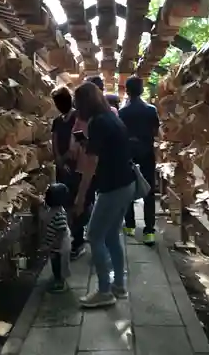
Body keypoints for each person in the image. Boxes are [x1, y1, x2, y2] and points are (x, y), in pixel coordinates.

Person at [73, 82, 136, 308]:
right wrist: (86, 144)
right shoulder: (111, 117)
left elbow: (91, 164)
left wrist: (80, 197)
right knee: (111, 236)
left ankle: (104, 291)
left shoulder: (99, 122)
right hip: (125, 183)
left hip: (113, 187)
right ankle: (118, 285)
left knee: (94, 236)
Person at [118, 76, 160, 245]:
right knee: (149, 189)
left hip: (128, 154)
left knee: (128, 187)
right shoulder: (151, 110)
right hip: (147, 152)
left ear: (127, 91)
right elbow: (156, 131)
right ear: (142, 90)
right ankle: (149, 230)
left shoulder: (122, 112)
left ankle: (129, 225)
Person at [50, 86, 88, 260]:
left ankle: (78, 240)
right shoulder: (58, 121)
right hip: (62, 167)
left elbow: (78, 144)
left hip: (74, 166)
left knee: (75, 203)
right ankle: (70, 236)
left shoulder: (77, 118)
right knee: (65, 203)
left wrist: (65, 159)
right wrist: (58, 159)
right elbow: (55, 140)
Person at [37, 183, 72, 293]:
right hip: (55, 245)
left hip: (60, 246)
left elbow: (61, 232)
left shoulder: (59, 215)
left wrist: (53, 245)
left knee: (60, 264)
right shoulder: (54, 209)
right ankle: (57, 277)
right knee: (55, 262)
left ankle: (60, 282)